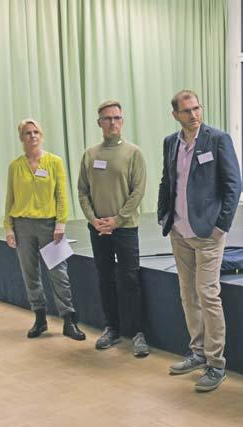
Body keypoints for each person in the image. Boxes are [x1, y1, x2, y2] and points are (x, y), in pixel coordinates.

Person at [157, 89, 241, 392]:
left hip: (208, 234)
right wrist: (163, 216)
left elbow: (233, 185)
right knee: (188, 295)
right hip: (179, 232)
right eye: (187, 111)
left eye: (196, 108)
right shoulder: (170, 142)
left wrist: (221, 226)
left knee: (208, 295)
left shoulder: (217, 140)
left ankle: (216, 363)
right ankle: (197, 352)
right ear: (175, 115)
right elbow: (167, 181)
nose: (193, 115)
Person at [77, 100, 149, 358]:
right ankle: (112, 328)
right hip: (98, 229)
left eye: (117, 118)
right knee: (105, 278)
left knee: (130, 279)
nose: (112, 122)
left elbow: (138, 191)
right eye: (107, 118)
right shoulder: (90, 154)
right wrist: (93, 219)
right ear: (99, 123)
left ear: (122, 121)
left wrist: (117, 220)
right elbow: (82, 191)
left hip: (125, 227)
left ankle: (138, 333)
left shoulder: (133, 153)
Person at [3, 119, 85, 341]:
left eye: (36, 132)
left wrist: (61, 223)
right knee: (30, 273)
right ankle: (40, 318)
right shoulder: (15, 166)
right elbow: (10, 198)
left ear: (42, 135)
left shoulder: (54, 162)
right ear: (21, 137)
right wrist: (8, 228)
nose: (32, 136)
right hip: (22, 225)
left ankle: (69, 320)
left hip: (49, 225)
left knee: (59, 273)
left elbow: (62, 196)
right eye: (27, 133)